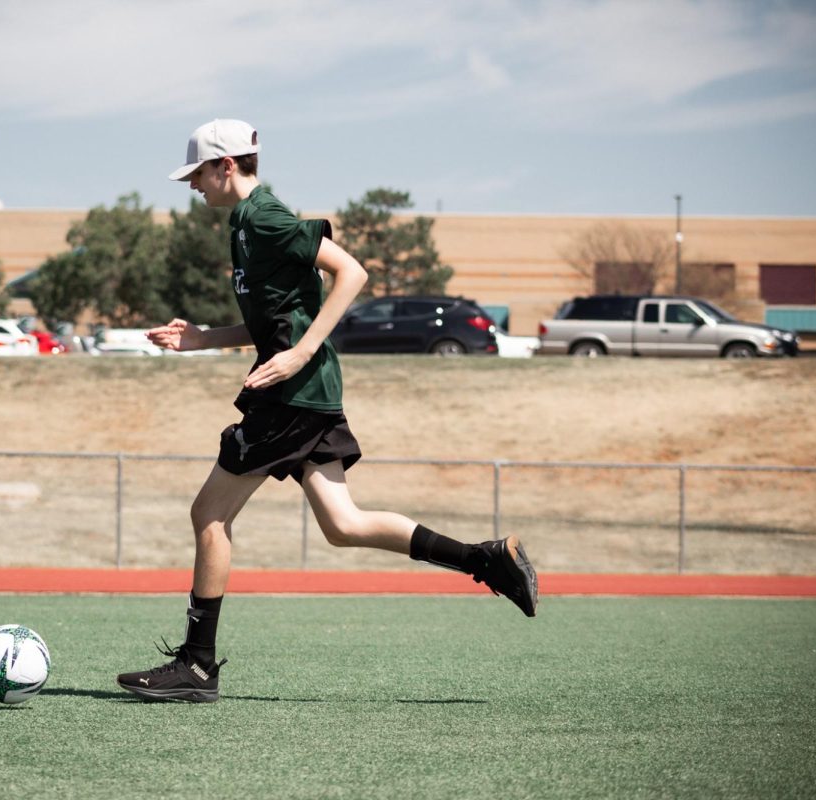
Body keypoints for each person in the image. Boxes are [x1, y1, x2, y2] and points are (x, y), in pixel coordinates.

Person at [116, 119, 538, 703]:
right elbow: (272, 322)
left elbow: (352, 272)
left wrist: (302, 352)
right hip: (306, 392)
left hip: (291, 393)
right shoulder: (243, 223)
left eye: (198, 174)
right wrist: (201, 338)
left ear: (227, 166)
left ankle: (197, 665)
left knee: (209, 516)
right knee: (344, 525)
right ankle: (488, 561)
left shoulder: (264, 216)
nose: (193, 186)